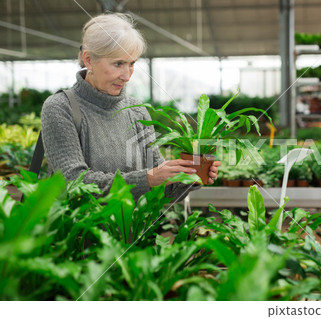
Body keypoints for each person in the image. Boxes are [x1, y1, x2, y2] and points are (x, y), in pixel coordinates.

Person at [41, 13, 220, 202]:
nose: (127, 76)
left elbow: (159, 190)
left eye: (132, 64)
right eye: (118, 64)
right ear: (88, 60)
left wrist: (189, 177)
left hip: (133, 230)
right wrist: (148, 178)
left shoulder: (136, 111)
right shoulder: (61, 108)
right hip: (82, 230)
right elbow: (73, 182)